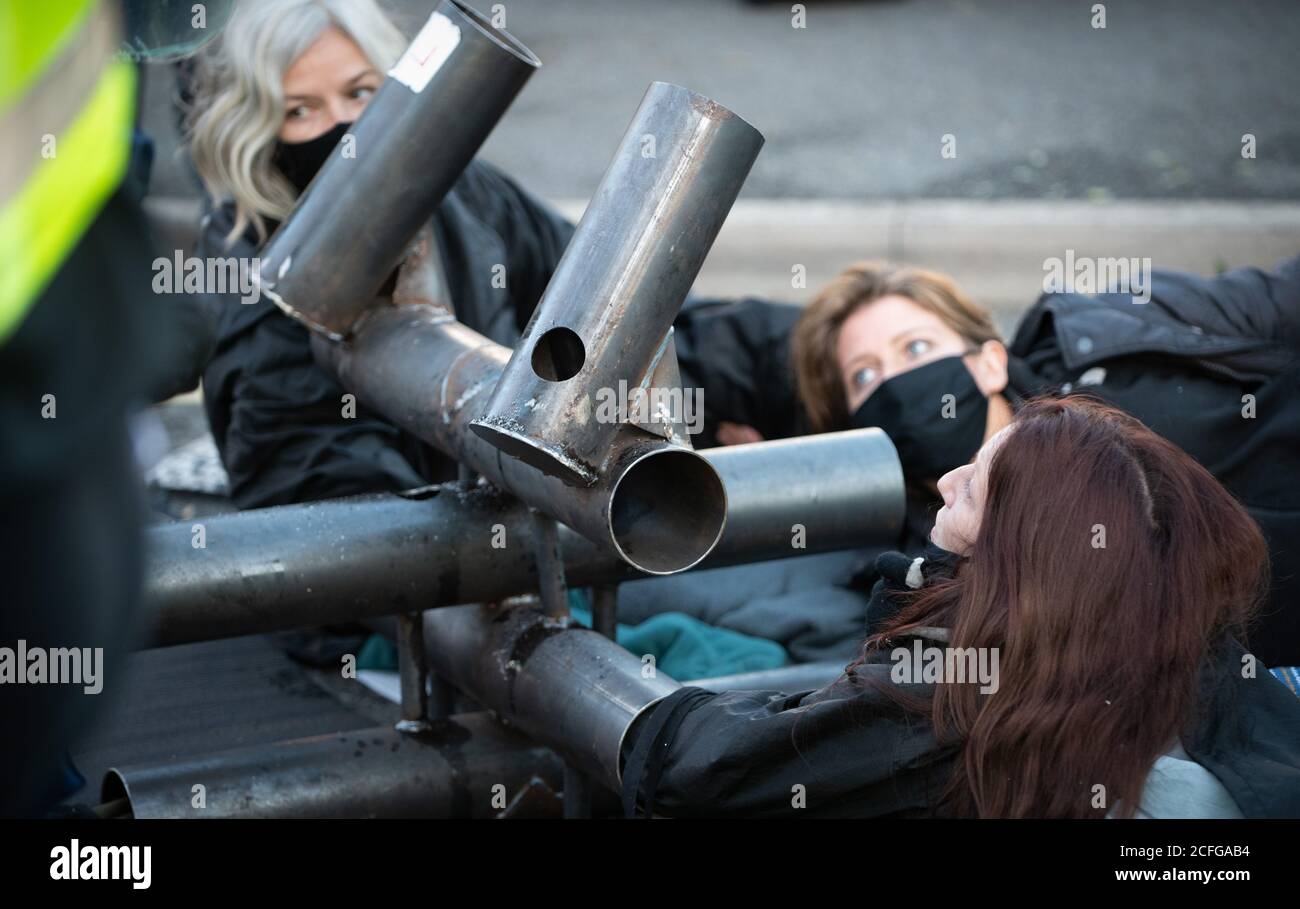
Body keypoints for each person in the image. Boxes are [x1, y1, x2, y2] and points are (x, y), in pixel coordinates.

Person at [620, 396, 1300, 818]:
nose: (944, 482)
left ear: (1016, 560)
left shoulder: (961, 703)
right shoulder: (1183, 654)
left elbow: (707, 768)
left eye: (970, 487)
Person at [789, 259, 1300, 667]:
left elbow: (1283, 298)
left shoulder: (1114, 325)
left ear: (989, 362)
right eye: (863, 376)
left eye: (916, 347)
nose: (896, 382)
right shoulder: (924, 576)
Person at [186, 0, 574, 509]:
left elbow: (603, 298)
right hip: (444, 563)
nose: (344, 129)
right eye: (300, 110)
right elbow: (335, 507)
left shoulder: (466, 195)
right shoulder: (262, 287)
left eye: (360, 92)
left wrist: (712, 386)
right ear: (253, 131)